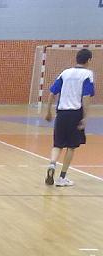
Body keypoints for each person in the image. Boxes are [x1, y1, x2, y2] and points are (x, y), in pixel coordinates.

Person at [44, 48, 95, 187]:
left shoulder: (65, 73)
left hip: (61, 113)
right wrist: (85, 117)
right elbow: (86, 96)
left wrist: (48, 111)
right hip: (75, 114)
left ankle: (52, 165)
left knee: (57, 144)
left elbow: (52, 93)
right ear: (89, 60)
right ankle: (62, 177)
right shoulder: (87, 74)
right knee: (71, 147)